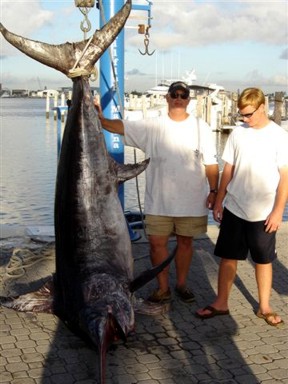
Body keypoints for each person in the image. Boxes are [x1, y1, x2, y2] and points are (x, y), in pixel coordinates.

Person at [95, 81, 219, 303]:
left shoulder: (203, 127)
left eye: (183, 95)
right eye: (174, 94)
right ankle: (163, 288)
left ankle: (182, 284)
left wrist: (214, 191)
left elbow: (211, 164)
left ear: (189, 100)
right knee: (156, 244)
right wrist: (100, 119)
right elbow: (120, 127)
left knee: (185, 243)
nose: (178, 98)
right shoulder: (153, 126)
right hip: (158, 201)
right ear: (167, 98)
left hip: (191, 200)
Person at [196, 87, 288, 326]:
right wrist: (219, 199)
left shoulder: (279, 136)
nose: (245, 119)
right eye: (242, 115)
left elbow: (285, 177)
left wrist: (278, 211)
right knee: (228, 257)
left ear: (262, 107)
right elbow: (229, 168)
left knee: (263, 260)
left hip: (264, 212)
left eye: (249, 114)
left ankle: (264, 306)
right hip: (235, 207)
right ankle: (221, 302)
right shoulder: (238, 133)